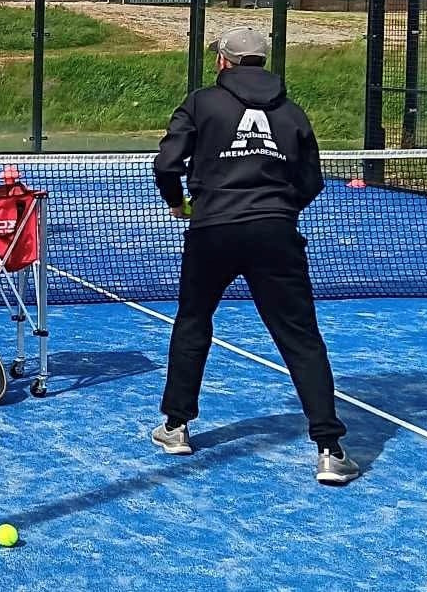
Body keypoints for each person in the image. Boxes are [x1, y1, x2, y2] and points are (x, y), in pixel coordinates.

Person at [150, 26, 358, 485]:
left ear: (223, 61)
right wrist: (280, 211)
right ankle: (329, 449)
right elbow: (311, 182)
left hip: (211, 231)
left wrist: (176, 202)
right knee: (301, 338)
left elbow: (167, 163)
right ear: (261, 61)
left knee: (193, 323)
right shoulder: (293, 113)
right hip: (275, 236)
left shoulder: (201, 102)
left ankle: (176, 427)